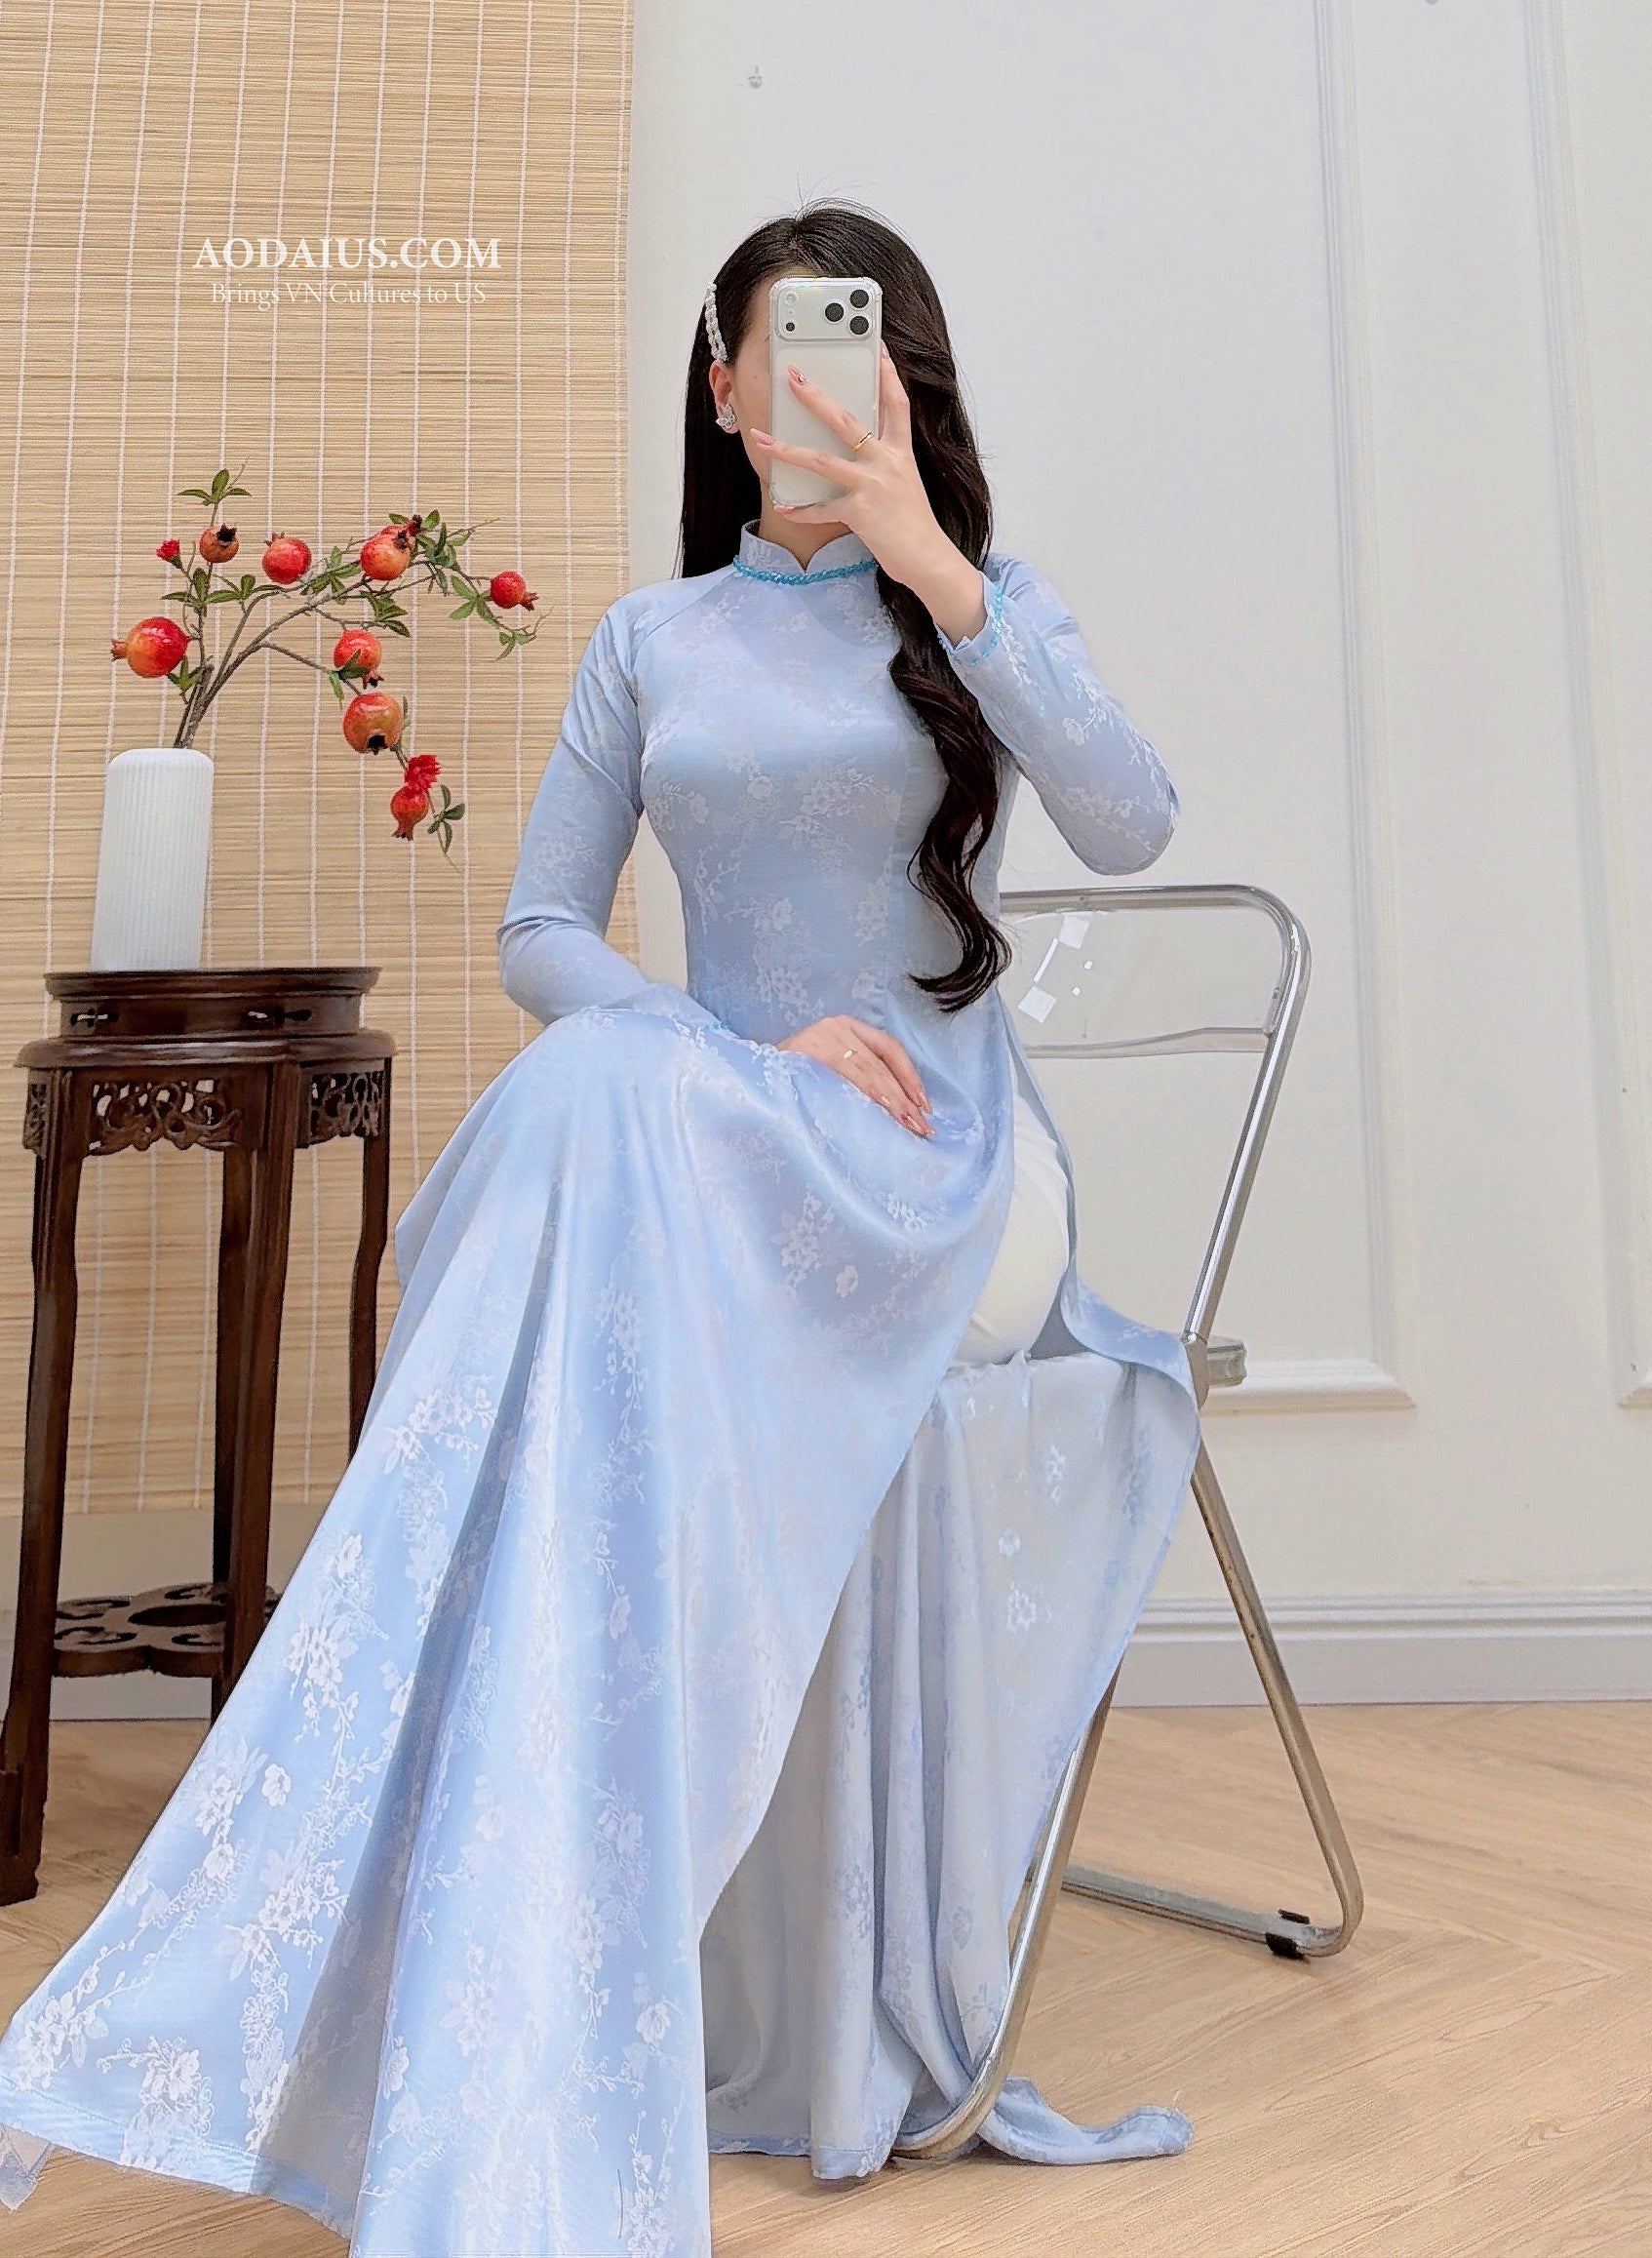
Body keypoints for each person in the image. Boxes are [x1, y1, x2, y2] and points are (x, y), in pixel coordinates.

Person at [0, 202, 1202, 2256]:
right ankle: (503, 1956)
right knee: (595, 1079)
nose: (817, 390)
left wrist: (933, 562)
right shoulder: (655, 638)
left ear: (902, 385)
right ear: (722, 390)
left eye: (859, 354)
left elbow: (1133, 818)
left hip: (931, 1163)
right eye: (781, 355)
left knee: (591, 1103)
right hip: (707, 1138)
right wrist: (734, 1047)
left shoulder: (980, 608)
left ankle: (463, 1843)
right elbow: (543, 933)